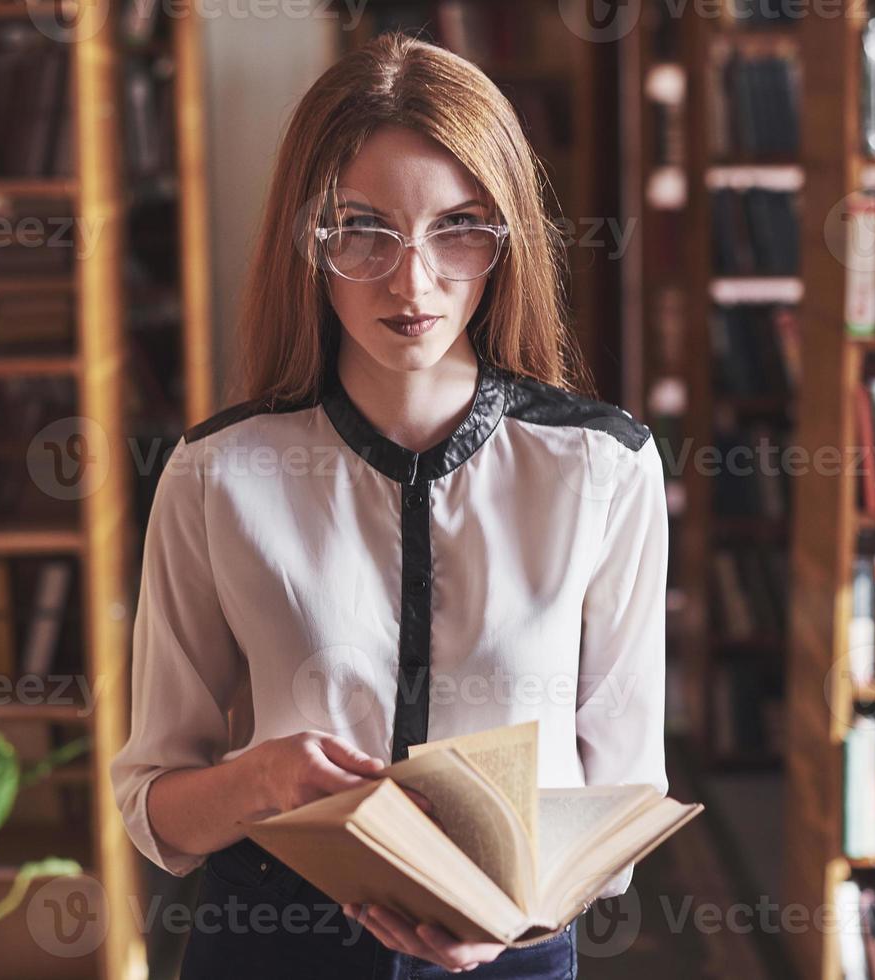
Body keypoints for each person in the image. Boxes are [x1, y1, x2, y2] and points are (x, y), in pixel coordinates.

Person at [110, 31, 669, 980]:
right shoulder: (214, 472)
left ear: (507, 239)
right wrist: (255, 781)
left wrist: (519, 919)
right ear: (308, 238)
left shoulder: (602, 467)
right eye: (363, 229)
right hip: (269, 943)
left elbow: (626, 786)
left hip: (514, 947)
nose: (413, 281)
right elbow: (153, 807)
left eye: (457, 227)